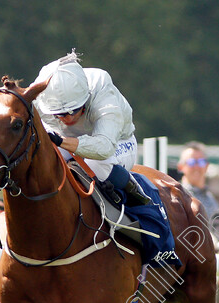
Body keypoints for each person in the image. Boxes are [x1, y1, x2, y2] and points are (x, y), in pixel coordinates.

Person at [33, 51, 152, 206]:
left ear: (86, 97)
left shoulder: (102, 90)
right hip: (66, 143)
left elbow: (105, 147)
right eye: (59, 114)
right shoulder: (40, 95)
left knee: (95, 164)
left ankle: (134, 191)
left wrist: (60, 140)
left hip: (118, 143)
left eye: (74, 110)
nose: (68, 118)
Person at [177, 141, 219, 219]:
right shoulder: (177, 196)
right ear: (180, 167)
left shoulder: (210, 198)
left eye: (201, 162)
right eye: (191, 162)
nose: (197, 167)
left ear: (207, 166)